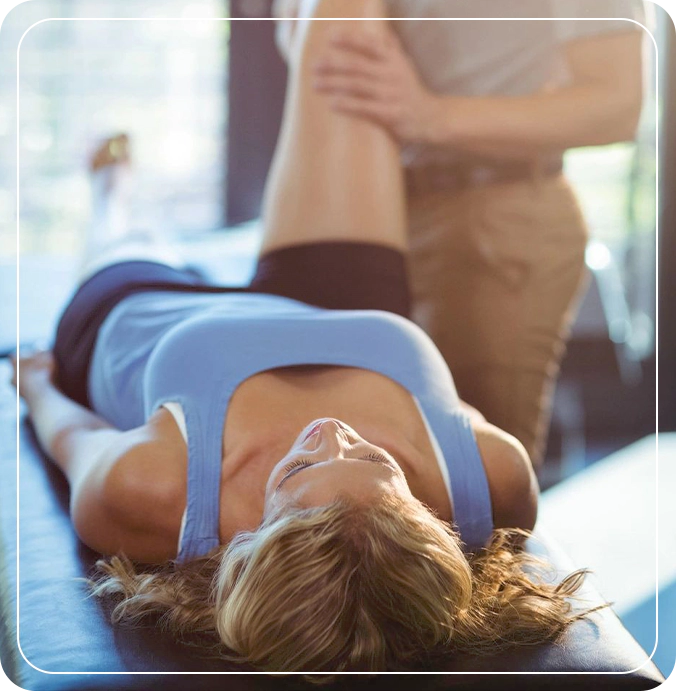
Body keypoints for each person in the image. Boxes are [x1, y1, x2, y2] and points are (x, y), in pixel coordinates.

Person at [11, 0, 601, 675]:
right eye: (380, 463)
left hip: (146, 315)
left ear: (247, 542)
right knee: (339, 15)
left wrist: (35, 381)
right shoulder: (489, 478)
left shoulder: (152, 491)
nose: (330, 430)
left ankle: (110, 184)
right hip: (332, 306)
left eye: (298, 467)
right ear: (428, 520)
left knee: (124, 231)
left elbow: (72, 437)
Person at [273, 0, 647, 469]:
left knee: (474, 476)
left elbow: (617, 104)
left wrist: (430, 115)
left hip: (494, 207)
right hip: (378, 208)